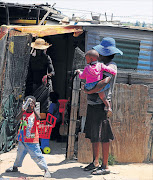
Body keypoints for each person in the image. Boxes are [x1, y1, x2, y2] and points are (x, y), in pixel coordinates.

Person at [83, 37, 123, 175]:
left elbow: (105, 82)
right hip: (93, 104)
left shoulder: (111, 66)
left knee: (104, 136)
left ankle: (105, 166)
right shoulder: (98, 65)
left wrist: (89, 90)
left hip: (102, 106)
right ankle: (95, 162)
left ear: (106, 54)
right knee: (95, 134)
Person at [5, 96, 51, 178]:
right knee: (19, 155)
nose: (29, 106)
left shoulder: (35, 114)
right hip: (22, 139)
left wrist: (34, 109)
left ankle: (46, 170)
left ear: (34, 105)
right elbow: (16, 119)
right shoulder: (23, 113)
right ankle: (15, 167)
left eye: (31, 104)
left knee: (37, 156)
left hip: (32, 141)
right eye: (27, 103)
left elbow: (39, 118)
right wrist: (22, 110)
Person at [76, 49, 117, 117]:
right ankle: (108, 107)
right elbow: (109, 70)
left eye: (87, 59)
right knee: (103, 97)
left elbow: (82, 76)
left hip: (89, 86)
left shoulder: (87, 67)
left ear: (91, 59)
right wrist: (114, 72)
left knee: (84, 87)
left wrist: (79, 72)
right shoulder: (101, 65)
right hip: (97, 85)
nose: (86, 61)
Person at [25, 38, 55, 113]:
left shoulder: (46, 58)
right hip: (34, 84)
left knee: (45, 104)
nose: (39, 51)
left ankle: (43, 119)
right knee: (34, 103)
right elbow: (29, 73)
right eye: (38, 50)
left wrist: (48, 76)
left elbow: (52, 72)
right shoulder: (31, 59)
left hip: (44, 85)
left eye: (41, 50)